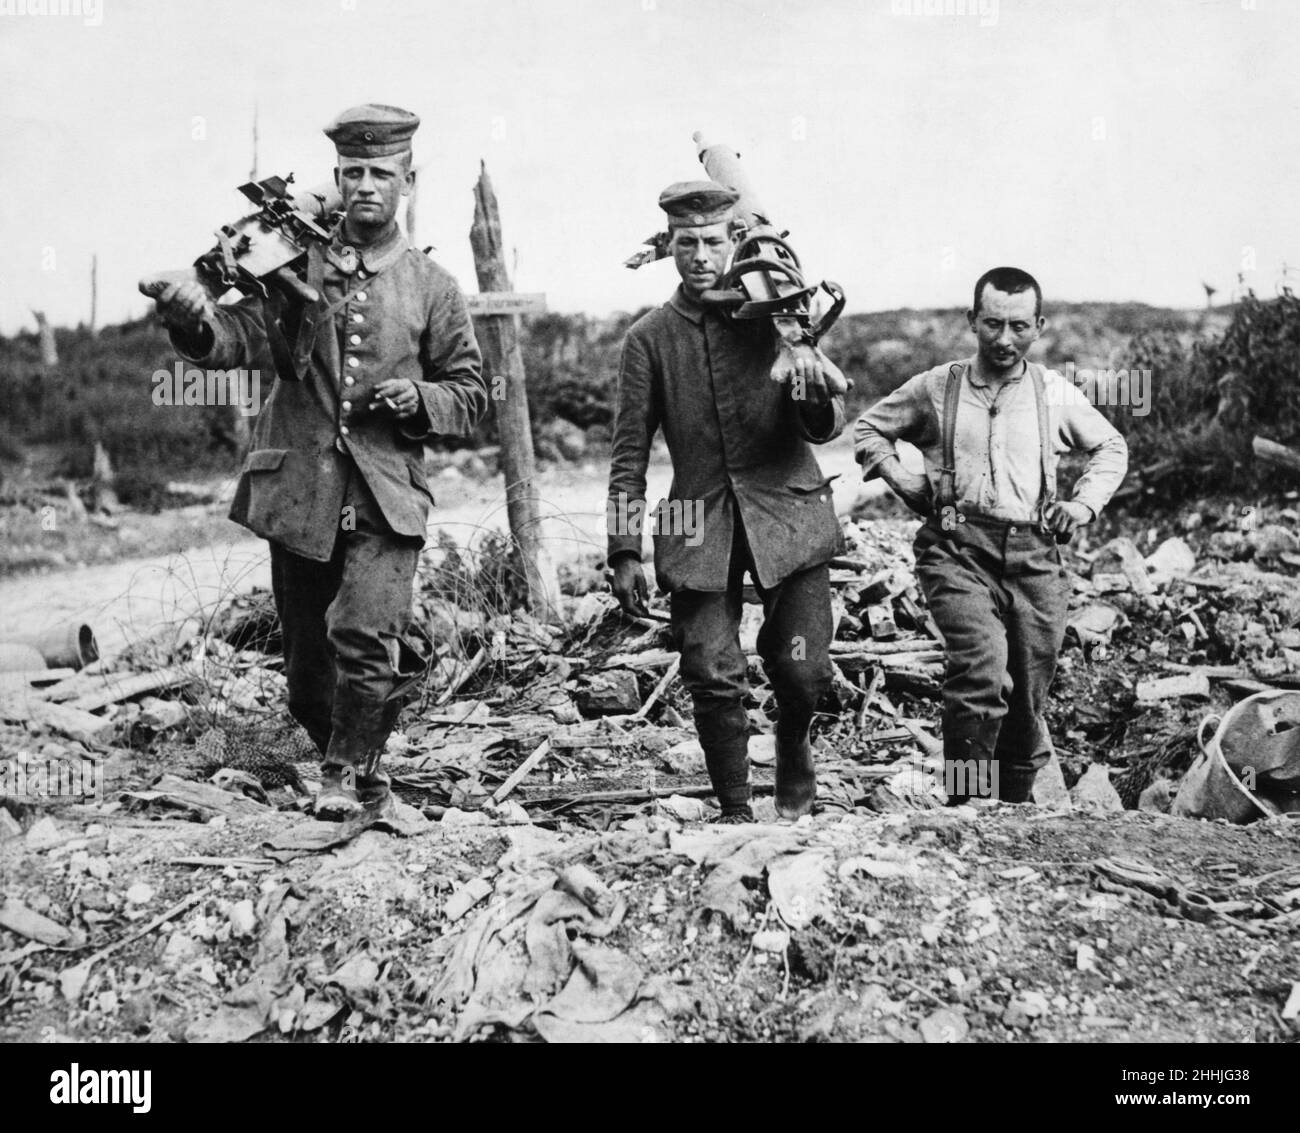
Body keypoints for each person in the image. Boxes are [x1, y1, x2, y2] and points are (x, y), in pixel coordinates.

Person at [152, 103, 486, 819]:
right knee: (308, 676)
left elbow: (472, 393)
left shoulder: (434, 289)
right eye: (354, 171)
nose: (367, 184)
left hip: (386, 491)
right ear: (336, 177)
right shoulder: (290, 263)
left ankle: (341, 770)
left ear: (409, 180)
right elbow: (236, 335)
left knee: (365, 637)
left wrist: (421, 398)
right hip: (301, 486)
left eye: (382, 172)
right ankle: (364, 762)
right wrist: (191, 320)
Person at [607, 180, 848, 822]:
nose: (701, 257)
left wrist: (809, 386)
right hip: (697, 526)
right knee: (712, 672)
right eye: (686, 244)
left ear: (733, 240)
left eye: (713, 241)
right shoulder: (650, 340)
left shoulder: (779, 316)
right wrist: (624, 549)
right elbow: (629, 454)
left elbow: (824, 429)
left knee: (802, 668)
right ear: (671, 249)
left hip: (788, 516)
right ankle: (736, 811)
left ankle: (793, 742)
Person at [854, 267, 1128, 804]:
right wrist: (901, 476)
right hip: (957, 549)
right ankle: (965, 804)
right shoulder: (939, 386)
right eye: (993, 324)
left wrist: (1083, 503)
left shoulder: (1054, 392)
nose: (1006, 340)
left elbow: (1111, 446)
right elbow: (868, 428)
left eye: (1020, 327)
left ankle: (1013, 812)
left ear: (1039, 326)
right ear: (972, 321)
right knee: (980, 671)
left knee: (1026, 697)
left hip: (1034, 555)